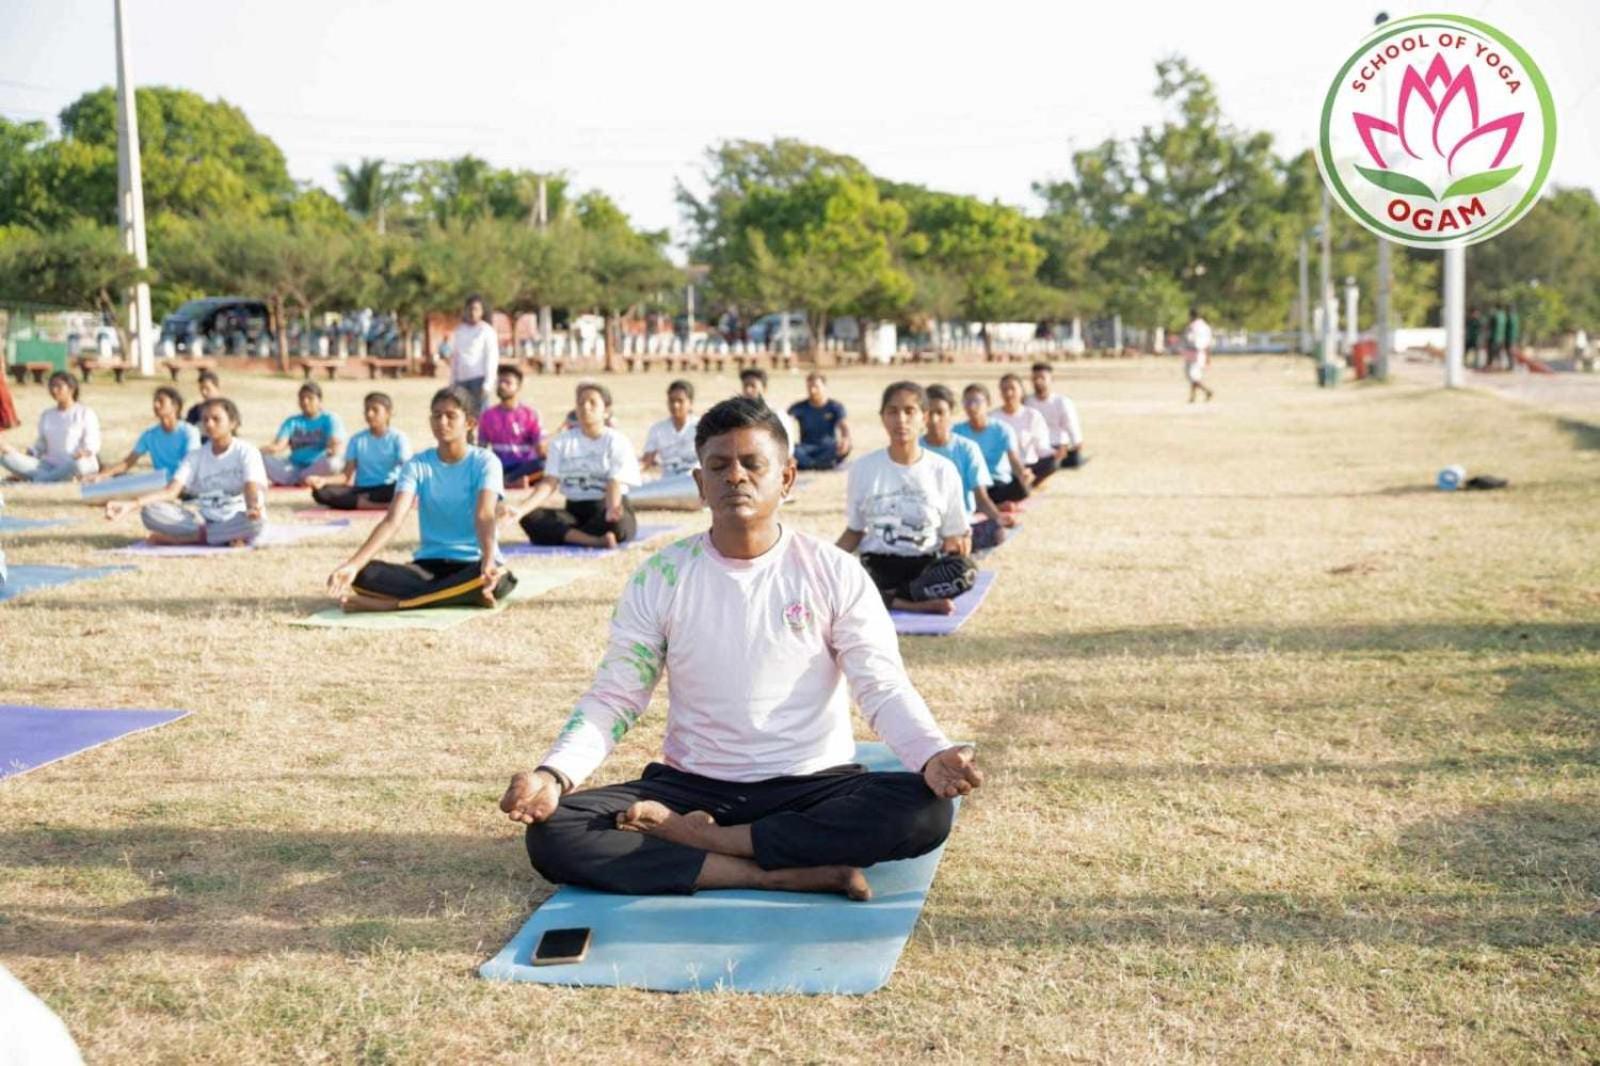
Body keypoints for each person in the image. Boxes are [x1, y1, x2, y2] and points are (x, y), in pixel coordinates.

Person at [498, 395, 982, 900]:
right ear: (700, 483)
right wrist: (554, 773)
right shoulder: (662, 577)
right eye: (719, 466)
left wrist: (931, 754)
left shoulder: (834, 571)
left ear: (787, 478)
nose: (736, 477)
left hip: (812, 785)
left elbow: (880, 685)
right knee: (556, 831)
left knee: (924, 811)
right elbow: (617, 696)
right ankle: (768, 872)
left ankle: (710, 843)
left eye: (753, 464)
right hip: (693, 787)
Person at [326, 386, 515, 612]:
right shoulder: (417, 465)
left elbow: (484, 514)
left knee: (499, 578)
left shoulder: (486, 462)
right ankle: (457, 595)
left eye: (451, 416)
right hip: (428, 568)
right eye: (436, 415)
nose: (442, 422)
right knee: (364, 574)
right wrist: (353, 565)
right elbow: (392, 521)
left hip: (475, 564)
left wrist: (488, 559)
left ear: (470, 424)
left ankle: (396, 604)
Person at [836, 381, 976, 616]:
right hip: (878, 564)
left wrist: (959, 546)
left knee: (966, 572)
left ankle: (887, 598)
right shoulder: (863, 468)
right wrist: (827, 561)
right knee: (841, 576)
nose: (901, 420)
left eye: (910, 411)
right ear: (882, 418)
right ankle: (908, 603)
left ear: (924, 417)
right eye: (893, 411)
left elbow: (953, 536)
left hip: (924, 567)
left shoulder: (943, 470)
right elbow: (855, 531)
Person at [104, 398, 267, 547]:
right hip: (201, 520)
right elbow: (171, 491)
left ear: (233, 423)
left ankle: (189, 539)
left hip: (236, 517)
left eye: (216, 419)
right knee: (150, 511)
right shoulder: (195, 456)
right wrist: (132, 504)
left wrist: (253, 507)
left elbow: (251, 487)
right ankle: (220, 537)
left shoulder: (247, 451)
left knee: (256, 523)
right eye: (205, 420)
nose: (209, 424)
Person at [503, 382, 641, 549]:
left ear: (606, 412)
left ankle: (575, 536)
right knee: (530, 518)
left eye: (592, 402)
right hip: (575, 510)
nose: (585, 407)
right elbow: (549, 483)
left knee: (620, 525)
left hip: (606, 506)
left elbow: (614, 481)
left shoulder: (617, 441)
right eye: (581, 402)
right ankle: (594, 541)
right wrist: (521, 509)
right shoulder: (561, 442)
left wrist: (612, 508)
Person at [922, 384, 1012, 551]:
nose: (934, 420)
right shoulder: (915, 448)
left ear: (951, 412)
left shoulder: (967, 448)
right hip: (923, 524)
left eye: (940, 413)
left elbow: (981, 498)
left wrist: (998, 518)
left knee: (997, 533)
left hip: (961, 523)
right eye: (929, 413)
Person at [308, 392, 412, 510]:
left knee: (400, 489)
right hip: (362, 488)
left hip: (386, 488)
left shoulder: (398, 438)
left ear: (388, 413)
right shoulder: (357, 440)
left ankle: (361, 501)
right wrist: (323, 480)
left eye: (375, 410)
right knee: (321, 492)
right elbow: (346, 476)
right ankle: (380, 505)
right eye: (367, 410)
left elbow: (407, 468)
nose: (369, 414)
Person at [84, 386, 200, 489]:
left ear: (175, 406)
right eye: (155, 401)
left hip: (184, 483)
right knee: (117, 479)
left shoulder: (190, 432)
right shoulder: (150, 435)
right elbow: (128, 462)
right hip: (159, 482)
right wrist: (104, 475)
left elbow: (190, 464)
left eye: (161, 401)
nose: (156, 405)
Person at [0, 372, 100, 482]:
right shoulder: (47, 414)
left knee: (79, 465)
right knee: (7, 459)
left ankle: (40, 480)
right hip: (48, 465)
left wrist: (83, 453)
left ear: (71, 389)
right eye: (51, 386)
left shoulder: (85, 413)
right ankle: (49, 478)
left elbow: (92, 445)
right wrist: (21, 453)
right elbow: (41, 446)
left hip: (74, 463)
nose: (54, 390)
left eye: (58, 386)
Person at [953, 383, 1030, 506]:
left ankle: (985, 505)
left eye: (977, 401)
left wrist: (1022, 474)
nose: (972, 406)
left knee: (1022, 489)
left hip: (997, 482)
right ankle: (993, 505)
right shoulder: (957, 431)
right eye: (967, 402)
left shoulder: (1002, 429)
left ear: (988, 403)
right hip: (971, 484)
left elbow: (1013, 458)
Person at [261, 382, 346, 486]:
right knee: (260, 459)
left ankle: (305, 479)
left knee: (334, 463)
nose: (305, 402)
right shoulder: (292, 422)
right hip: (292, 468)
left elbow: (336, 444)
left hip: (316, 467)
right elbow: (278, 446)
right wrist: (256, 452)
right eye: (302, 398)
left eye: (310, 398)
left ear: (320, 401)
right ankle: (301, 480)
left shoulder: (330, 419)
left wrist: (333, 447)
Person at [477, 365, 544, 486]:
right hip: (499, 466)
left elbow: (541, 450)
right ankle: (512, 482)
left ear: (518, 387)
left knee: (544, 465)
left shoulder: (531, 414)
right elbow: (482, 449)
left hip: (525, 466)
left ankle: (507, 482)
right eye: (500, 381)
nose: (502, 385)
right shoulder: (487, 416)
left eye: (508, 382)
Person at [994, 373, 1055, 485]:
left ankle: (1029, 482)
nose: (1009, 393)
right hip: (1005, 468)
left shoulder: (1033, 415)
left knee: (1053, 462)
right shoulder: (993, 418)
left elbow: (1041, 446)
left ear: (1021, 391)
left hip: (1029, 465)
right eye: (1004, 389)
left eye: (1012, 389)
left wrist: (1055, 454)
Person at [1025, 362, 1086, 469]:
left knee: (1075, 460)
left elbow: (1071, 425)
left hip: (1059, 445)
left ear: (1051, 379)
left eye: (1042, 378)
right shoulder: (1027, 402)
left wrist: (1077, 443)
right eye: (1035, 378)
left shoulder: (1062, 402)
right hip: (1036, 447)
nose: (1038, 381)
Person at [786, 372, 851, 470]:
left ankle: (808, 464)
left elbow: (844, 426)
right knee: (792, 450)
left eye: (816, 387)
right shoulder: (799, 407)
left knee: (844, 447)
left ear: (824, 387)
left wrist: (846, 439)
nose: (813, 390)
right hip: (805, 448)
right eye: (809, 387)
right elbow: (785, 421)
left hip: (827, 447)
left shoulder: (835, 407)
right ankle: (818, 464)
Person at [450, 293, 499, 413]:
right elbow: (455, 358)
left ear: (482, 311)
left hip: (479, 379)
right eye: (470, 309)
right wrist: (452, 381)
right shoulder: (459, 331)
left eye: (476, 309)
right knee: (463, 415)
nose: (472, 312)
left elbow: (492, 358)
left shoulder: (486, 331)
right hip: (461, 381)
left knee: (481, 417)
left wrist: (488, 383)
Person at [641, 379, 701, 479]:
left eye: (680, 401)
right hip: (669, 479)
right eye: (671, 401)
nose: (675, 405)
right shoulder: (657, 429)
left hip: (694, 479)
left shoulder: (701, 427)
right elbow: (647, 461)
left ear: (690, 403)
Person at [1183, 307, 1215, 402]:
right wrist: (1208, 357)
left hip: (1193, 352)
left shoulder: (1192, 326)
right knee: (1194, 375)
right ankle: (1192, 396)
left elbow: (1189, 340)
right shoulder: (1205, 326)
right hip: (1201, 352)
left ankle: (1207, 391)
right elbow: (1208, 343)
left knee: (1192, 375)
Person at [185, 370, 222, 436]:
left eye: (207, 389)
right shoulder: (195, 411)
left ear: (217, 388)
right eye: (201, 389)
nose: (203, 392)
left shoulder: (227, 410)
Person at [1489, 305, 1508, 370]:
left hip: (1495, 337)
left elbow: (1490, 325)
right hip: (1501, 337)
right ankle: (1501, 366)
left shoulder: (1495, 315)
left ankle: (1493, 365)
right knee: (1499, 352)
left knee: (1493, 352)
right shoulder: (1504, 316)